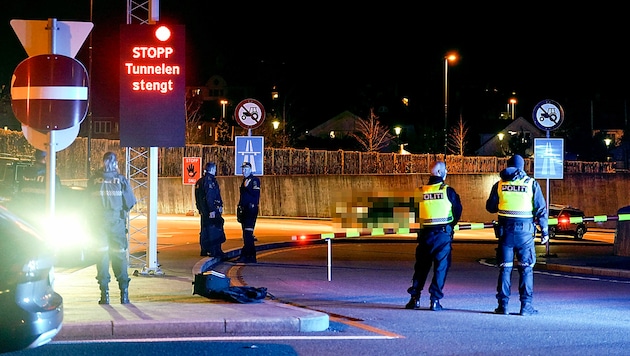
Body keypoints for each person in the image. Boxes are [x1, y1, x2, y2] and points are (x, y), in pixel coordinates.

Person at [485, 154, 548, 316]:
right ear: (522, 167)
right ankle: (525, 306)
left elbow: (490, 207)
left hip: (505, 232)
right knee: (526, 269)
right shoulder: (531, 183)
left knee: (505, 269)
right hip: (525, 232)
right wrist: (544, 232)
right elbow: (541, 209)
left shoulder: (499, 184)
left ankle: (503, 306)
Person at [405, 160, 462, 311]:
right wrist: (450, 225)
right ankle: (435, 301)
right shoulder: (448, 191)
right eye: (445, 171)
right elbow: (457, 211)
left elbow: (413, 212)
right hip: (443, 236)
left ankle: (414, 299)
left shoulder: (420, 191)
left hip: (425, 235)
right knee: (440, 268)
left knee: (421, 268)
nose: (446, 173)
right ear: (440, 173)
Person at [87, 152, 137, 305]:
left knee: (101, 257)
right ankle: (124, 294)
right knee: (119, 256)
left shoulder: (94, 180)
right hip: (116, 223)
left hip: (98, 224)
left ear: (103, 162)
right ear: (115, 163)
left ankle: (104, 295)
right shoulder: (121, 180)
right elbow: (130, 203)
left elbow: (87, 202)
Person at [194, 161, 227, 259]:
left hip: (204, 210)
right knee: (214, 229)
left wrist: (201, 209)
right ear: (212, 169)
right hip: (210, 210)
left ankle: (205, 249)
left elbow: (198, 197)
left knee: (205, 229)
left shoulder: (200, 181)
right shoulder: (210, 181)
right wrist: (213, 209)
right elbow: (210, 196)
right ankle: (215, 250)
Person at [236, 161, 260, 263]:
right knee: (246, 234)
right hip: (244, 210)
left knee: (248, 234)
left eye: (245, 169)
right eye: (242, 169)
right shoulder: (244, 181)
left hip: (251, 210)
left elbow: (255, 195)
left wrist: (247, 187)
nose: (243, 171)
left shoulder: (254, 180)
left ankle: (247, 255)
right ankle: (250, 256)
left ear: (250, 170)